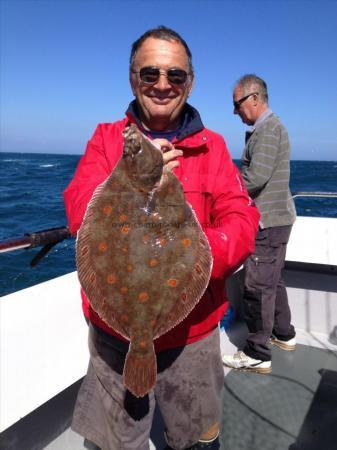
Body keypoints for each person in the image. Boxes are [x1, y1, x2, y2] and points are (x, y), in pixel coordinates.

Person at [64, 28, 259, 450]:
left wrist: (198, 255)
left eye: (176, 75)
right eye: (150, 73)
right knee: (116, 442)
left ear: (191, 82)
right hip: (115, 337)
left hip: (193, 333)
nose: (163, 84)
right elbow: (80, 211)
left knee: (196, 439)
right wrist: (132, 173)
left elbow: (242, 221)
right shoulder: (107, 140)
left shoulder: (214, 148)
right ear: (133, 77)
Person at [222, 74, 297, 374]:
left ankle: (258, 352)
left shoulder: (267, 130)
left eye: (237, 104)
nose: (235, 110)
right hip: (279, 218)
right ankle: (284, 333)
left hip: (268, 221)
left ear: (254, 99)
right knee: (273, 280)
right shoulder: (270, 127)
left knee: (257, 286)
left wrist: (224, 187)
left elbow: (256, 178)